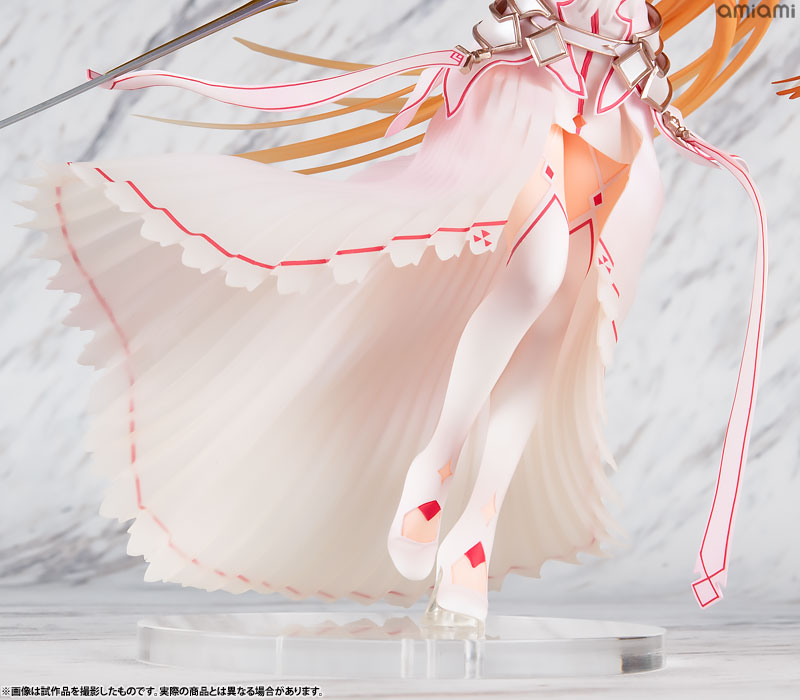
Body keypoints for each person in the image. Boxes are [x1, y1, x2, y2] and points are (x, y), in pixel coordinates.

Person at [19, 0, 769, 632]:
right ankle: (435, 460)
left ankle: (477, 527)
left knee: (558, 320)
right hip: (532, 95)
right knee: (535, 276)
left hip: (620, 115)